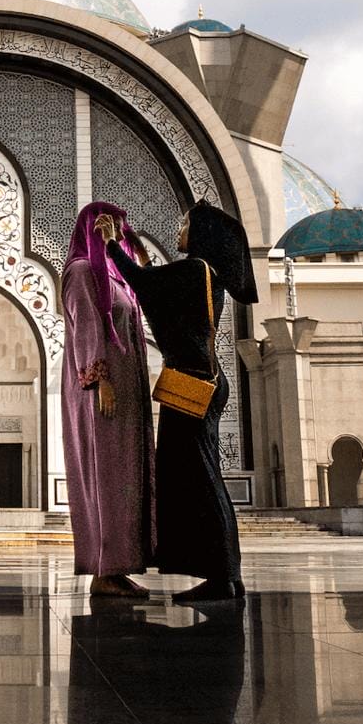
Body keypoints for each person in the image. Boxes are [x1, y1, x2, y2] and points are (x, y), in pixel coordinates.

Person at [98, 198, 258, 603]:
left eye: (185, 224)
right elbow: (161, 292)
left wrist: (112, 245)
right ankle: (225, 574)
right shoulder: (203, 273)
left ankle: (221, 576)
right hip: (199, 382)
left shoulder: (195, 270)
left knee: (201, 479)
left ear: (202, 233)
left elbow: (145, 285)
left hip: (191, 386)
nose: (179, 230)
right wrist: (138, 254)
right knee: (200, 477)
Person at [61, 200, 156, 597]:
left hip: (127, 391)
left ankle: (120, 566)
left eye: (118, 226)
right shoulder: (83, 272)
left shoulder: (117, 277)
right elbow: (86, 327)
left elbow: (148, 290)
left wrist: (134, 247)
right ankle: (104, 568)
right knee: (106, 475)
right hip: (102, 392)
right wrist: (100, 380)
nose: (113, 233)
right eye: (106, 226)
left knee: (125, 479)